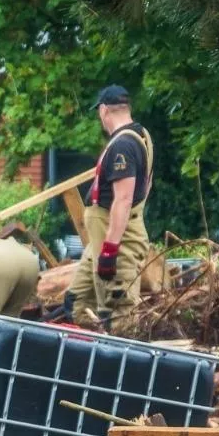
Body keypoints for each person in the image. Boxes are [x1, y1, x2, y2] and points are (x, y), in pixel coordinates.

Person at [66, 85, 154, 327]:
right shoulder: (142, 135)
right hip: (104, 236)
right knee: (76, 301)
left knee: (118, 313)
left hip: (117, 240)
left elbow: (124, 199)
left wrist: (109, 250)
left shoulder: (122, 145)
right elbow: (146, 185)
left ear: (104, 110)